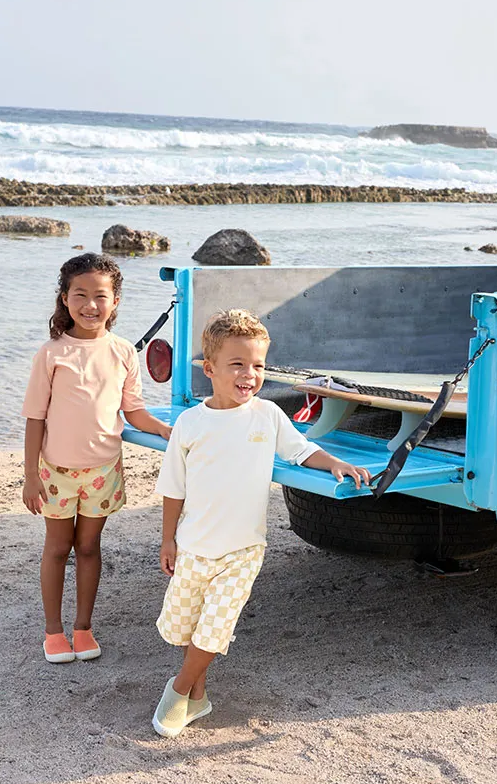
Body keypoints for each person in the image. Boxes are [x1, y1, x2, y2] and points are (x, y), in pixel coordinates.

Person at [152, 308, 371, 736]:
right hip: (193, 545)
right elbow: (173, 487)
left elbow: (301, 450)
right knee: (186, 627)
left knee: (214, 630)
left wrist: (334, 463)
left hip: (243, 549)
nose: (249, 375)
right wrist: (168, 540)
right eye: (237, 364)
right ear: (209, 369)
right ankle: (199, 697)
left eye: (258, 365)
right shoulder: (190, 424)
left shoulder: (268, 415)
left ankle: (177, 690)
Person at [22, 252, 171, 664]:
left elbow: (133, 411)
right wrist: (31, 475)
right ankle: (54, 631)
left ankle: (83, 627)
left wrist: (162, 429)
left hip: (104, 470)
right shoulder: (51, 353)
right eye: (80, 295)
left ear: (115, 301)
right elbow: (35, 418)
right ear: (65, 299)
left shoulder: (123, 352)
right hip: (55, 471)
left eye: (100, 296)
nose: (91, 305)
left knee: (88, 548)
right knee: (57, 548)